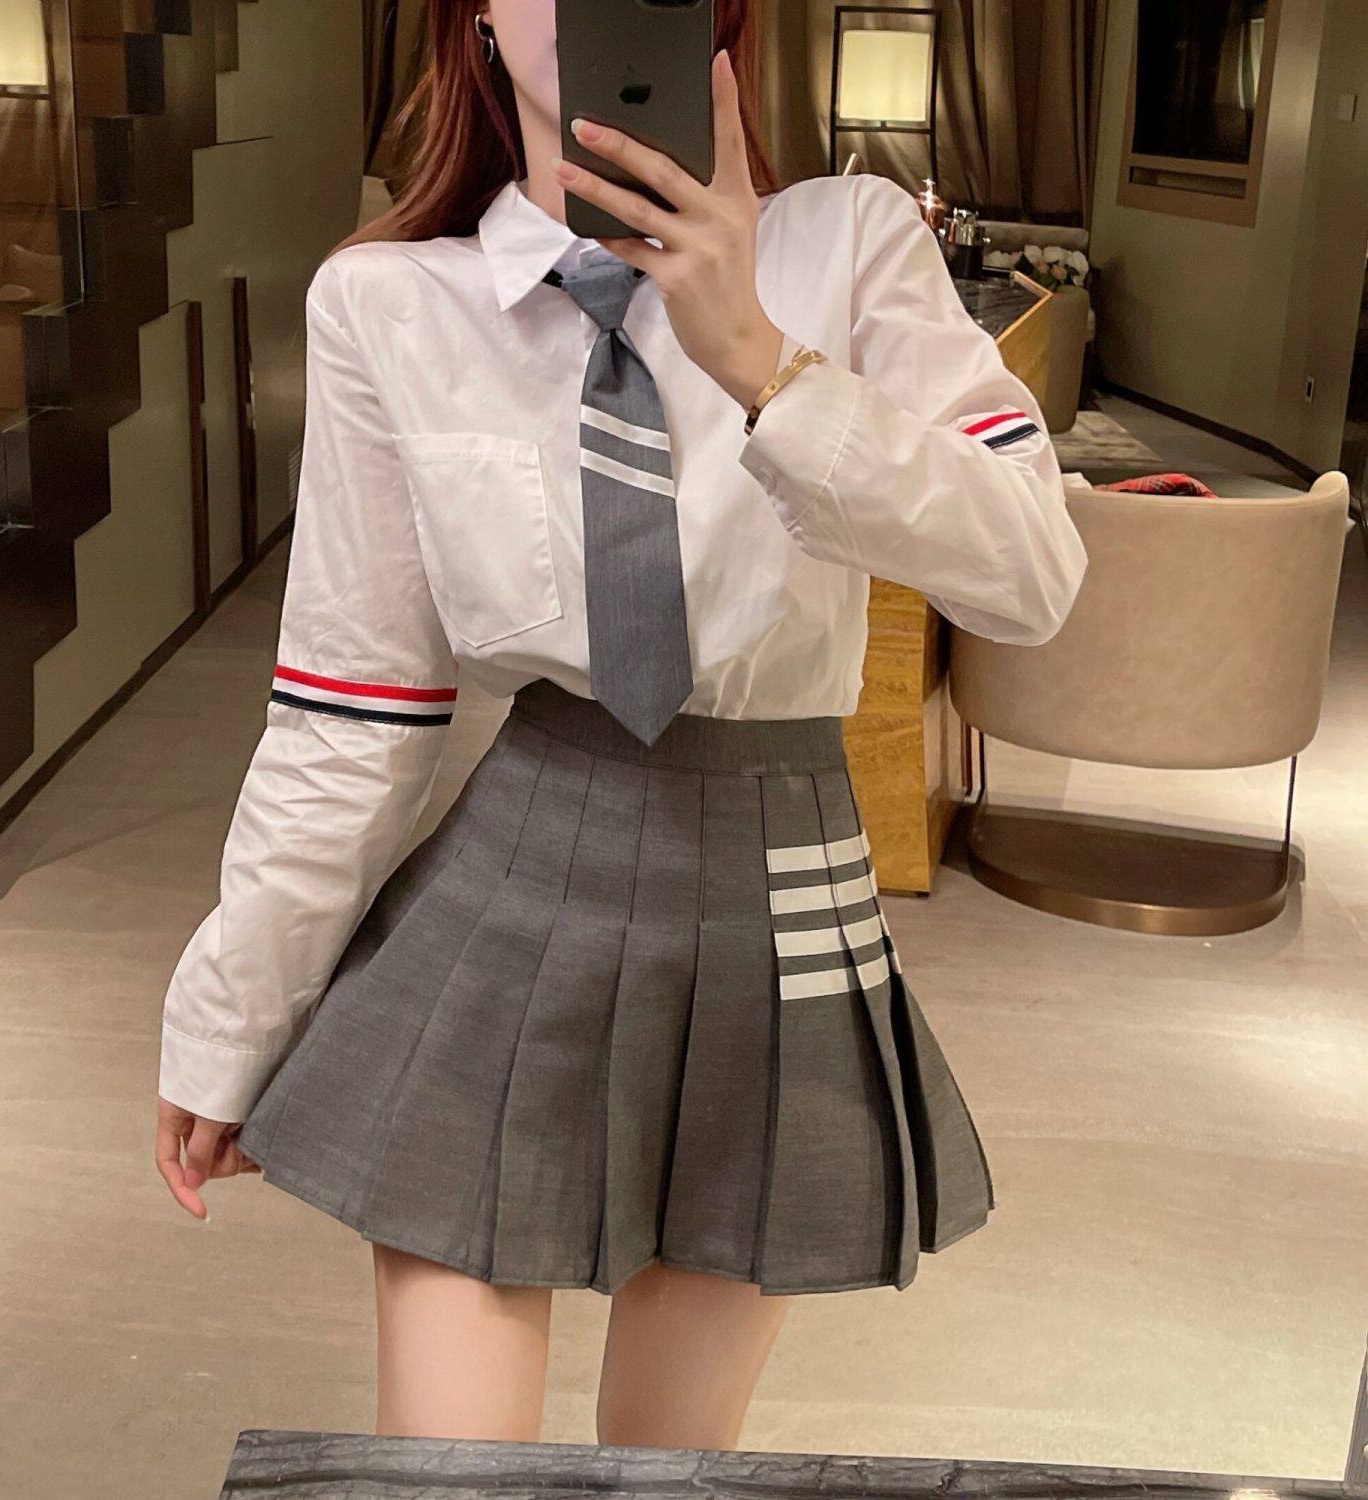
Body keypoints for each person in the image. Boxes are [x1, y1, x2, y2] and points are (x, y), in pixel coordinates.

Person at [153, 0, 1088, 1452]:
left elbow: (1032, 574)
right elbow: (354, 709)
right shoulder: (390, 304)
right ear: (475, 16)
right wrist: (234, 1016)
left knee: (671, 1474)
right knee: (446, 1478)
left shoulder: (850, 246)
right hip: (518, 881)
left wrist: (761, 359)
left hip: (777, 898)